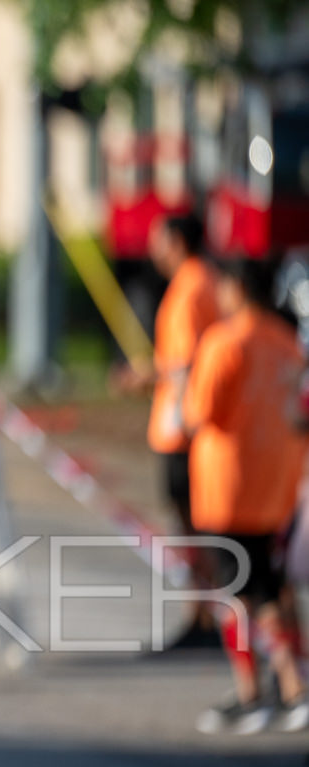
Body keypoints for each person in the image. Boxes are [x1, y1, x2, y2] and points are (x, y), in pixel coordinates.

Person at [185, 257, 308, 734]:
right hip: (276, 485)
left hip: (227, 487)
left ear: (236, 288)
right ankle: (291, 687)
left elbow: (200, 413)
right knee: (267, 590)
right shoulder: (287, 345)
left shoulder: (224, 342)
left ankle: (256, 691)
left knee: (235, 595)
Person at [145, 212, 219, 646]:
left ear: (174, 240)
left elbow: (189, 365)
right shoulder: (197, 283)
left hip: (181, 429)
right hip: (183, 426)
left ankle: (204, 617)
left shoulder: (190, 290)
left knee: (193, 526)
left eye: (157, 238)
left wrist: (145, 375)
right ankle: (205, 616)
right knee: (193, 525)